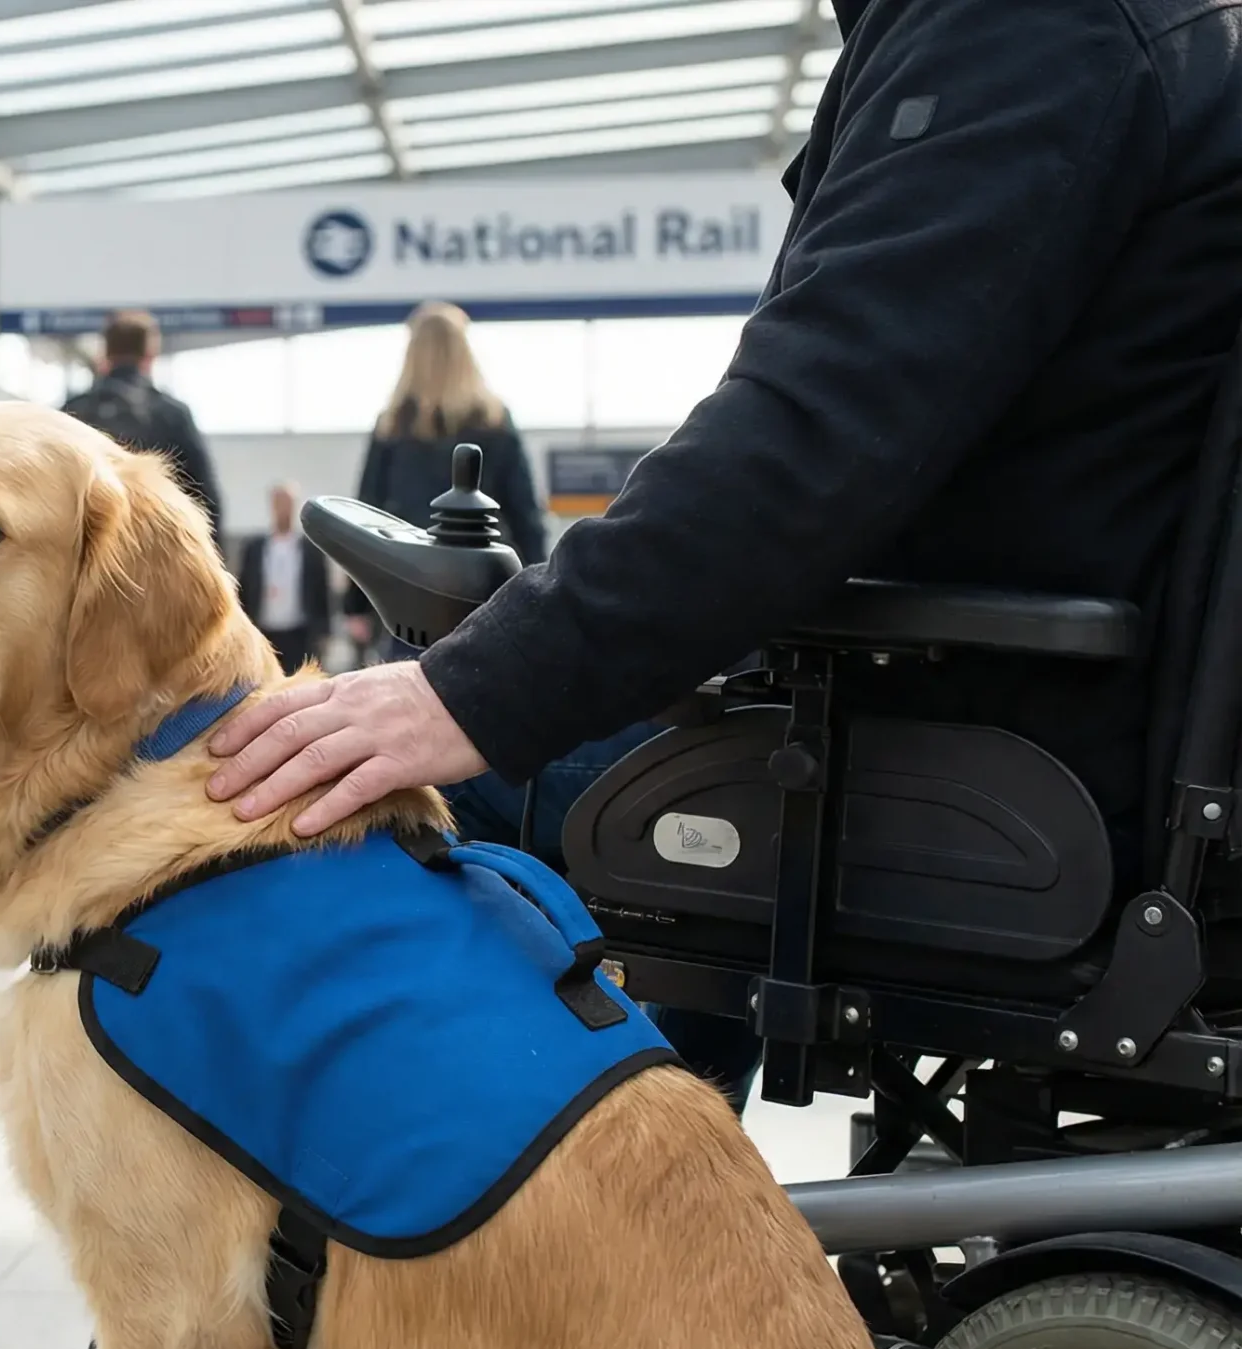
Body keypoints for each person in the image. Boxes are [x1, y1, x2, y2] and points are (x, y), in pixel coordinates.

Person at [204, 0, 1242, 1111]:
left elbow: (803, 445)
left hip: (989, 764)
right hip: (1017, 725)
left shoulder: (1024, 29)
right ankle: (644, 1230)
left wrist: (467, 689)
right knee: (645, 800)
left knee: (336, 800)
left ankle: (536, 1251)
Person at [342, 302, 546, 659]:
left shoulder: (392, 426)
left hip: (410, 595)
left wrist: (355, 604)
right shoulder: (495, 421)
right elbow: (525, 515)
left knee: (407, 696)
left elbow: (366, 519)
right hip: (487, 593)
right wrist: (542, 590)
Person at [63, 309, 224, 547]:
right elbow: (207, 503)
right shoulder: (172, 415)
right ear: (150, 354)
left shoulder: (72, 414)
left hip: (82, 559)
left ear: (106, 352)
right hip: (150, 557)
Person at [238, 484, 333, 674]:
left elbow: (322, 591)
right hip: (264, 632)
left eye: (288, 504)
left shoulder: (310, 549)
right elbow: (244, 589)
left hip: (299, 633)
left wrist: (324, 631)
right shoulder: (256, 548)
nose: (283, 509)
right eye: (279, 503)